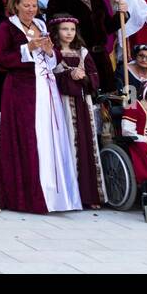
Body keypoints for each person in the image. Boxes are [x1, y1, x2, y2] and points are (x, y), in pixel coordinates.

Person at [0, 0, 81, 214]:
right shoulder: (8, 27)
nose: (31, 9)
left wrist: (51, 52)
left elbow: (54, 59)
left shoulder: (41, 26)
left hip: (46, 86)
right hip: (21, 89)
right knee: (29, 137)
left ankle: (56, 193)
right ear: (17, 6)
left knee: (50, 136)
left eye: (34, 6)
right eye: (26, 5)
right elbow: (2, 58)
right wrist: (28, 48)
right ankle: (30, 196)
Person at [47, 15, 104, 209]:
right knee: (68, 142)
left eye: (72, 29)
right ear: (56, 31)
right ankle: (70, 195)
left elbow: (94, 76)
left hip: (82, 102)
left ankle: (89, 194)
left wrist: (85, 77)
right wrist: (68, 75)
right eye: (64, 29)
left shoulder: (83, 52)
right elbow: (49, 76)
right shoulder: (53, 52)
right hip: (62, 103)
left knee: (87, 143)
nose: (69, 33)